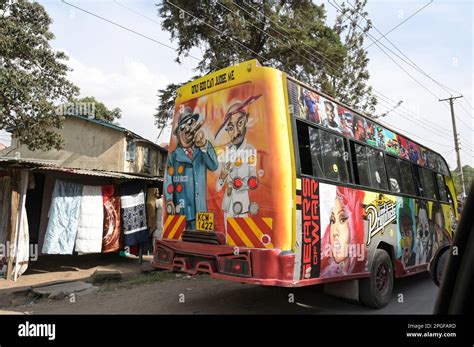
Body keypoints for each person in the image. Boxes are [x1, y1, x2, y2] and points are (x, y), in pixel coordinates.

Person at [164, 106, 218, 230]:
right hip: (182, 211)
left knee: (205, 243)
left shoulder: (202, 149)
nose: (188, 131)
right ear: (178, 133)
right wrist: (169, 200)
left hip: (202, 212)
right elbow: (168, 179)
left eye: (190, 124)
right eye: (183, 128)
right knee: (184, 241)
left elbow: (214, 165)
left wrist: (204, 145)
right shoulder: (173, 156)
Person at [215, 95, 261, 223]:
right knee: (227, 239)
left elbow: (253, 179)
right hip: (227, 205)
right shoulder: (226, 152)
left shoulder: (250, 150)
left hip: (241, 206)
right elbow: (218, 188)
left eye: (239, 123)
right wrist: (222, 177)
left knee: (241, 239)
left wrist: (239, 183)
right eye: (230, 128)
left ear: (246, 121)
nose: (235, 133)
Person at [320, 186, 366, 277]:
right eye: (332, 221)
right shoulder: (324, 272)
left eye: (342, 220)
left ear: (353, 225)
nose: (334, 232)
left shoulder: (360, 266)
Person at [398, 200, 416, 267]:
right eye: (402, 234)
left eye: (407, 233)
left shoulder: (417, 259)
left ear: (413, 234)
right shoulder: (399, 260)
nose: (404, 239)